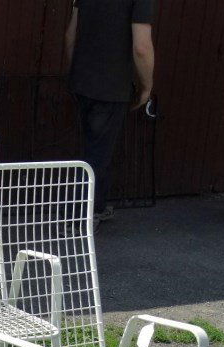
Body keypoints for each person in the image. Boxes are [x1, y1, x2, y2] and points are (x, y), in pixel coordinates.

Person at [65, 0, 155, 224]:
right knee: (97, 155)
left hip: (82, 81)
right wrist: (147, 86)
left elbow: (70, 36)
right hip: (111, 87)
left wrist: (75, 72)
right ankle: (79, 218)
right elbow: (141, 48)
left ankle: (98, 206)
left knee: (92, 148)